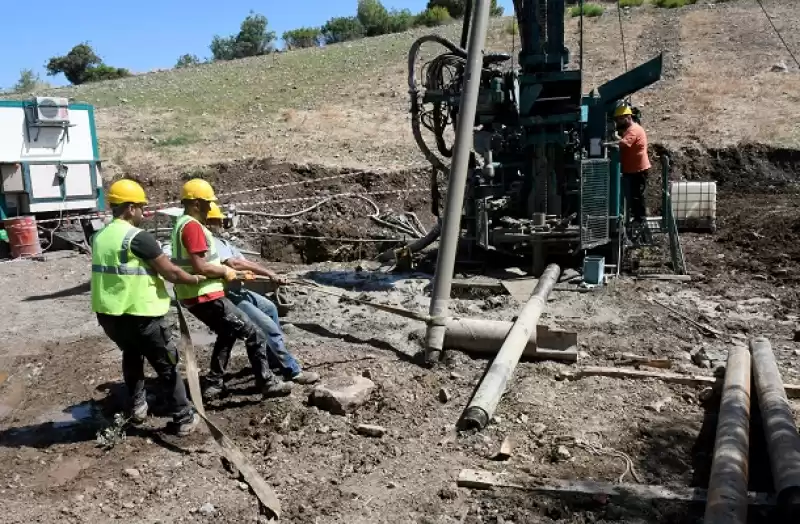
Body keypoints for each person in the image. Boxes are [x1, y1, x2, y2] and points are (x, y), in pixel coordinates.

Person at [91, 179, 202, 437]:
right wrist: (196, 279)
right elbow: (172, 272)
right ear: (130, 208)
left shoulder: (99, 236)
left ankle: (137, 407)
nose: (143, 212)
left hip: (110, 316)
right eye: (141, 207)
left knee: (131, 355)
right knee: (167, 364)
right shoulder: (138, 238)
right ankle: (184, 417)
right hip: (142, 315)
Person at [169, 178, 292, 400]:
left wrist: (231, 273)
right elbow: (201, 266)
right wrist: (225, 272)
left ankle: (214, 384)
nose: (209, 208)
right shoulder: (193, 227)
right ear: (196, 203)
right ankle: (267, 382)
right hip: (205, 294)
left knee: (228, 332)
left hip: (194, 295)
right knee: (254, 333)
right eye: (207, 203)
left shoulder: (180, 223)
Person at [205, 203, 319, 385]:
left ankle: (272, 359)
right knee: (269, 328)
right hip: (228, 294)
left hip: (237, 290)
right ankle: (291, 370)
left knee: (270, 308)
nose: (221, 224)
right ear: (211, 221)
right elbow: (235, 264)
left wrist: (267, 276)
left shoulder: (224, 242)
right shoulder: (212, 242)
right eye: (218, 221)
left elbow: (243, 264)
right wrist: (269, 274)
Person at [613, 104, 651, 225]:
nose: (618, 122)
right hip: (632, 169)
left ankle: (640, 220)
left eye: (619, 119)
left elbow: (624, 144)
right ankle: (637, 217)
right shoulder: (630, 129)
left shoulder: (634, 130)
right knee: (634, 195)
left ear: (628, 117)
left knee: (637, 196)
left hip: (638, 169)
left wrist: (606, 144)